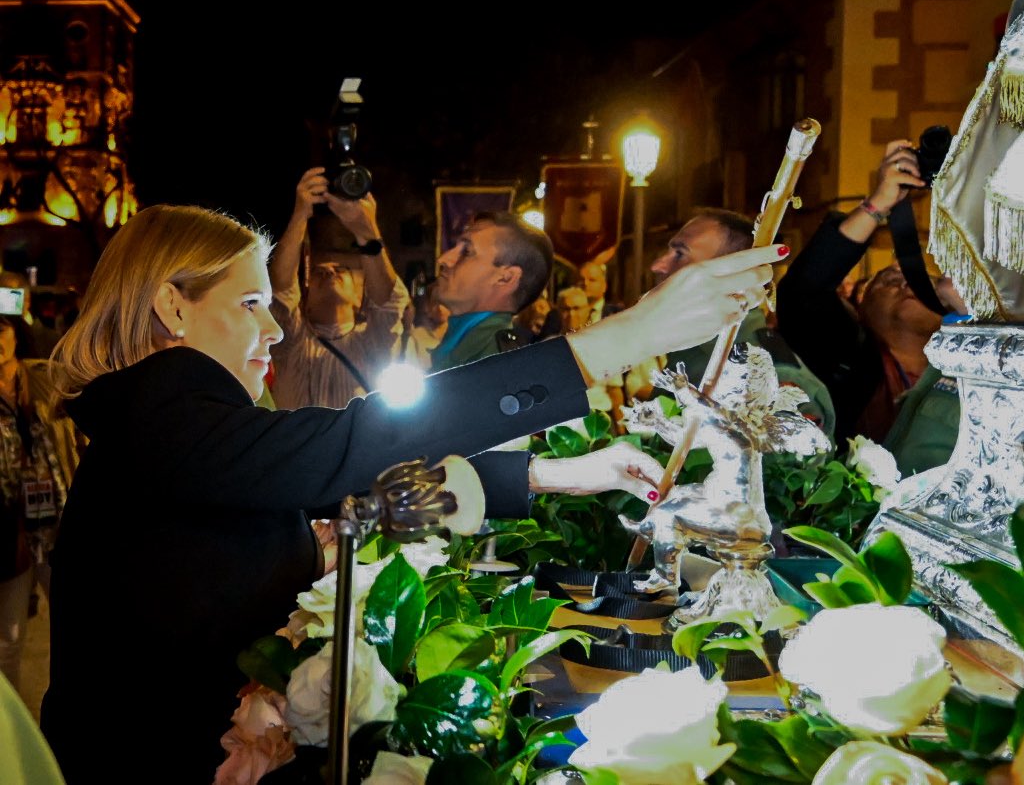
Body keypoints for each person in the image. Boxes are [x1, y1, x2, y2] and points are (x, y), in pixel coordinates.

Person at [38, 203, 781, 784]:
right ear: (173, 307)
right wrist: (621, 339)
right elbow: (352, 448)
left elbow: (340, 479)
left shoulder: (167, 424)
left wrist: (547, 474)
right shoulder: (158, 407)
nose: (275, 328)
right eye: (250, 303)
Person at [778, 141, 967, 465]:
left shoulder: (967, 366)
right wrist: (879, 203)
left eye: (924, 281)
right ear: (860, 308)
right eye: (887, 281)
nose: (904, 280)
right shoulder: (844, 360)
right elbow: (805, 290)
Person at [650, 209, 835, 435]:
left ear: (734, 273)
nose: (657, 265)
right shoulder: (694, 351)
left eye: (680, 254)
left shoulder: (767, 376)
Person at [268, 167, 410, 409]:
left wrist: (367, 232)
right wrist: (300, 214)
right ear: (305, 303)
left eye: (341, 271)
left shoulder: (373, 343)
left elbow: (388, 302)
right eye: (319, 273)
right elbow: (280, 290)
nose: (331, 272)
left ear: (358, 299)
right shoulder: (291, 342)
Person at [0, 315, 85, 696]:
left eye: (1, 330)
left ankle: (71, 708)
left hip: (57, 520)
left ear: (16, 334)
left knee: (75, 625)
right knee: (9, 637)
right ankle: (12, 724)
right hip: (11, 531)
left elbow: (79, 424)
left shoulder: (43, 378)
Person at [428, 212, 545, 371]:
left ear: (506, 278)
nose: (443, 259)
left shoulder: (496, 365)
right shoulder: (466, 347)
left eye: (467, 252)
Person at [579, 259, 623, 324]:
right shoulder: (565, 315)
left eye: (592, 280)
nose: (585, 283)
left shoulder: (618, 315)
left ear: (604, 286)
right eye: (581, 279)